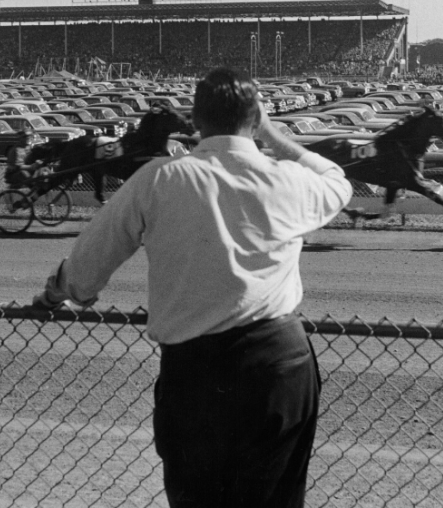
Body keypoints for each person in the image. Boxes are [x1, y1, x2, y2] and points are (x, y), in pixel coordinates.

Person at [34, 67, 352, 507]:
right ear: (255, 117)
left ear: (197, 121)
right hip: (279, 364)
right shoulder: (288, 179)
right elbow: (338, 181)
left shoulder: (158, 178)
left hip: (196, 373)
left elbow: (87, 267)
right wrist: (276, 138)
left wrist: (56, 294)